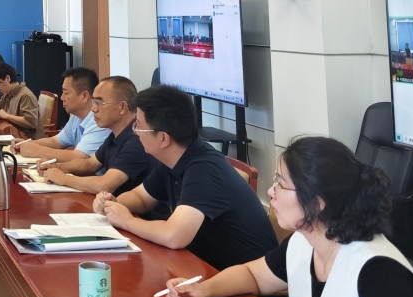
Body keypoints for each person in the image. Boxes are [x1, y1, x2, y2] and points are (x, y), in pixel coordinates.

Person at [164, 136, 413, 297]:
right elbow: (253, 275)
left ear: (317, 203)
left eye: (280, 184)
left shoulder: (380, 270)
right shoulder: (304, 240)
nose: (271, 192)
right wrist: (204, 289)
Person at [93, 85, 276, 270]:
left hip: (248, 279)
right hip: (203, 267)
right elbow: (140, 197)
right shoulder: (172, 159)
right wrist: (112, 204)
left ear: (163, 139)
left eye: (138, 125)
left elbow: (174, 235)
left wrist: (127, 221)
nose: (135, 131)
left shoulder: (204, 170)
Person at [40, 76, 151, 196]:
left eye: (99, 103)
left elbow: (105, 185)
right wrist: (57, 167)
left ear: (122, 107)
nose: (93, 108)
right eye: (93, 102)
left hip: (128, 207)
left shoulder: (136, 140)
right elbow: (89, 164)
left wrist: (64, 179)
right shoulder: (115, 135)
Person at [13, 67, 110, 162]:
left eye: (66, 93)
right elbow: (56, 142)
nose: (62, 98)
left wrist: (37, 150)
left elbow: (79, 157)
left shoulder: (98, 122)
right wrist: (27, 144)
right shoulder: (76, 117)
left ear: (84, 96)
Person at [0, 63, 44, 141]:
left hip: (28, 140)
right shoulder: (8, 94)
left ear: (7, 78)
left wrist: (7, 116)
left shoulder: (25, 95)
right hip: (14, 137)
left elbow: (31, 122)